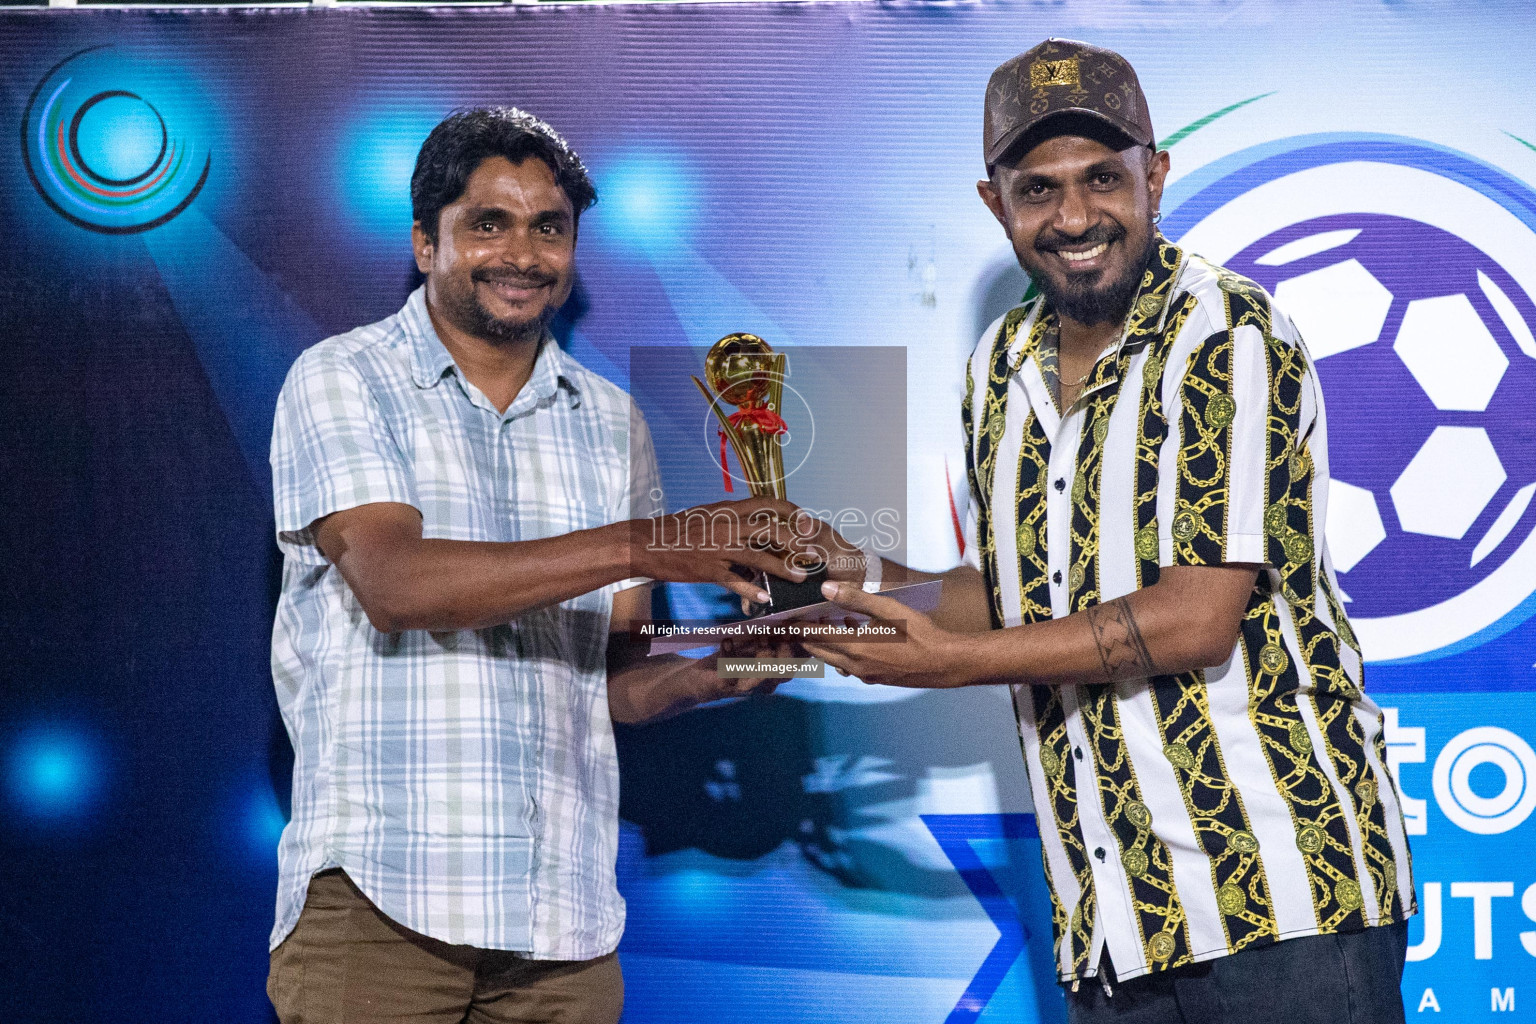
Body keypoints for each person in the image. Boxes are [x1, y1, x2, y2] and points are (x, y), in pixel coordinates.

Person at [800, 39, 1415, 1024]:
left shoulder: (1223, 333)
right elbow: (1014, 595)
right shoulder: (998, 366)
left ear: (1155, 174)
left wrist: (947, 662)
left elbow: (1193, 619)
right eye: (1037, 189)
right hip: (1114, 915)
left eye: (1102, 178)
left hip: (1285, 902)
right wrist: (854, 579)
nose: (1075, 216)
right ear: (993, 201)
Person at [265, 107, 808, 1024]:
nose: (522, 253)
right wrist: (648, 542)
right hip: (382, 909)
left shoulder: (611, 423)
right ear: (424, 242)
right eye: (488, 223)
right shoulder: (343, 377)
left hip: (563, 930)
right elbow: (398, 588)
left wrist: (738, 665)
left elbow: (616, 683)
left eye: (548, 228)